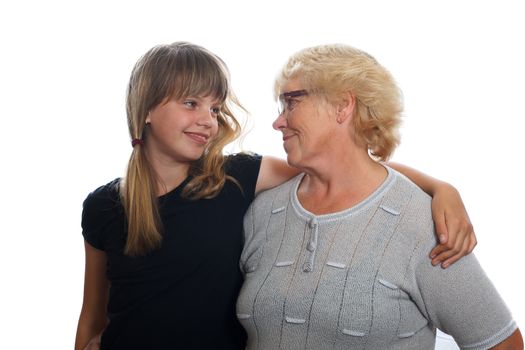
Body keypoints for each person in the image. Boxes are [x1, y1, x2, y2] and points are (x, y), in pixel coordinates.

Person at [75, 42, 477, 350]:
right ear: (146, 108)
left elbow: (347, 167)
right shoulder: (103, 207)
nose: (207, 120)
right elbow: (92, 317)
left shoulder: (234, 178)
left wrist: (440, 187)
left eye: (215, 109)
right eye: (191, 103)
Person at [237, 44, 523, 349]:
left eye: (291, 103)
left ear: (343, 106)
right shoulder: (262, 211)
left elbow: (503, 344)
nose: (278, 121)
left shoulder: (421, 222)